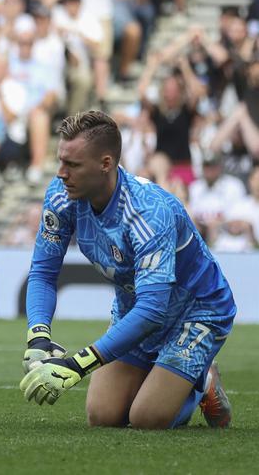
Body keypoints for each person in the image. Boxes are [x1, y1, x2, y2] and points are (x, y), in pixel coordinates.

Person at [20, 111, 234, 430]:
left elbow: (153, 311)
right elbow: (42, 273)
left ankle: (202, 379)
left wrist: (77, 365)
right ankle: (163, 376)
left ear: (106, 164)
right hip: (136, 307)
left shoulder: (149, 213)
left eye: (73, 165)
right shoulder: (61, 195)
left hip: (197, 312)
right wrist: (38, 337)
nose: (61, 174)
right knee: (102, 416)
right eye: (60, 162)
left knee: (147, 418)